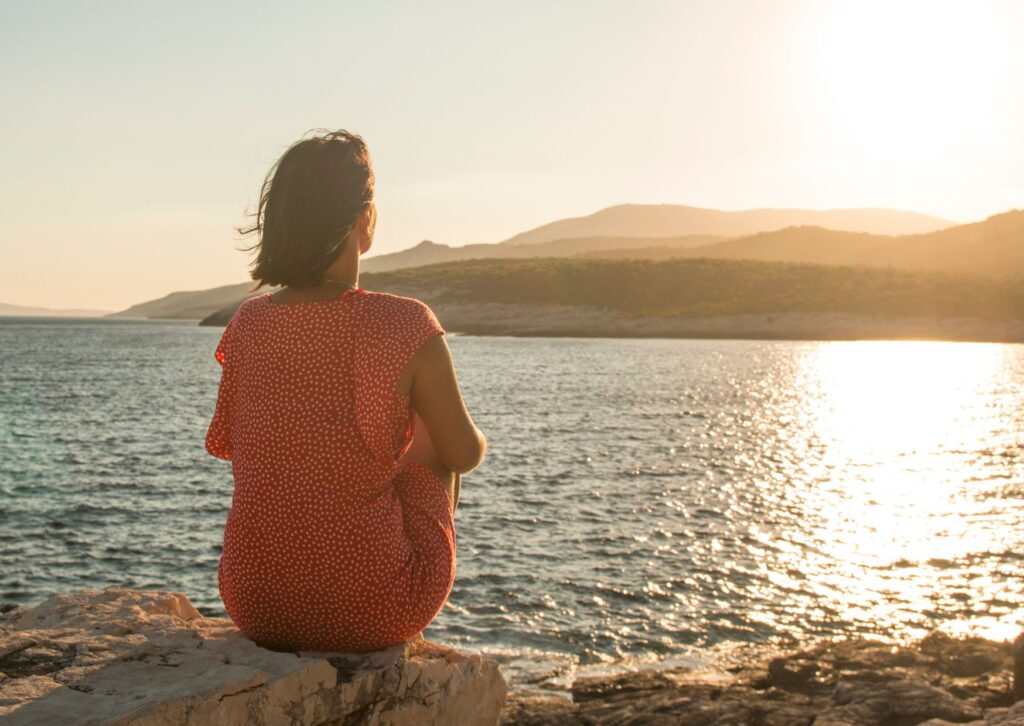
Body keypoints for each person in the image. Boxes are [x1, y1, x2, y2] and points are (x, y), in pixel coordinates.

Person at [204, 129, 486, 653]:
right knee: (428, 443)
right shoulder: (404, 323)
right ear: (366, 219)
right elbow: (462, 454)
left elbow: (240, 448)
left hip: (255, 605)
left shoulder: (247, 322)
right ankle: (404, 624)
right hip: (374, 609)